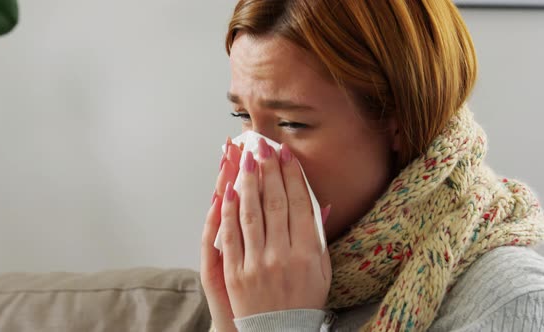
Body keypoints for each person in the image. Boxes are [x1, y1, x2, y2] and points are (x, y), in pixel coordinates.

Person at [200, 1, 544, 331]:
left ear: (397, 122)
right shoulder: (263, 288)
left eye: (292, 123)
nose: (253, 159)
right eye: (242, 116)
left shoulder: (511, 300)